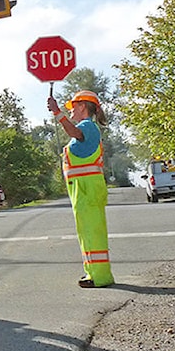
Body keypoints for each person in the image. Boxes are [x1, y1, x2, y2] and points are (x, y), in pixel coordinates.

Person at [47, 90, 114, 288]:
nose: (72, 112)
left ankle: (100, 276)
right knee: (87, 232)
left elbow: (74, 132)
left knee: (93, 232)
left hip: (88, 190)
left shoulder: (88, 127)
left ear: (82, 106)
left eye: (73, 107)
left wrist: (58, 113)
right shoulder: (89, 127)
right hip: (84, 190)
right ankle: (92, 273)